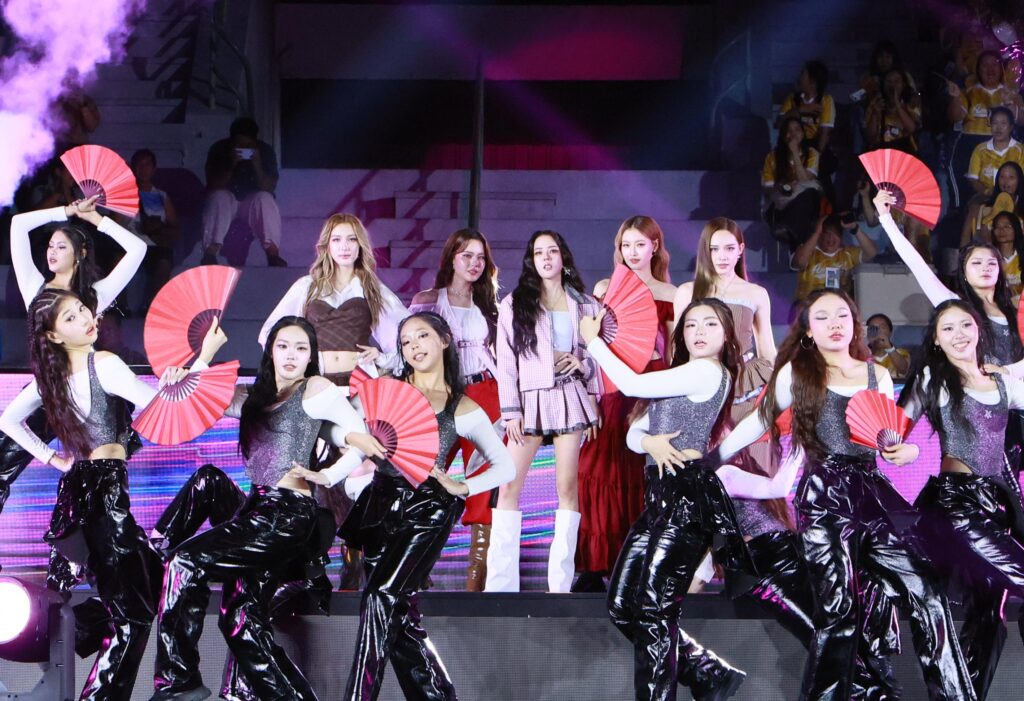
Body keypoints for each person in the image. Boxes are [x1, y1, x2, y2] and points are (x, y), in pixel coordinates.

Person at [711, 289, 976, 700]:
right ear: (809, 331)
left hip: (872, 492)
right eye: (822, 317)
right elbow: (758, 422)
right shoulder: (797, 373)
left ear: (854, 324)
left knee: (928, 593)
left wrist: (905, 451)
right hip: (824, 496)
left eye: (842, 316)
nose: (834, 324)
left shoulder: (877, 375)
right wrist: (711, 461)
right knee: (839, 614)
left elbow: (886, 436)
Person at [0, 289, 225, 700]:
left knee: (141, 594)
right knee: (133, 616)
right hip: (103, 496)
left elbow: (9, 421)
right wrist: (203, 358)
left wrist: (55, 460)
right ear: (53, 336)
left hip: (80, 497)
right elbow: (166, 409)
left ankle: (86, 641)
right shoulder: (103, 363)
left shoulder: (51, 379)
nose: (86, 318)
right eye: (70, 318)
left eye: (83, 309)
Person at [150, 316, 383, 701]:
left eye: (301, 348)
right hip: (256, 510)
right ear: (270, 351)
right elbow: (193, 401)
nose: (291, 355)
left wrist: (327, 476)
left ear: (311, 356)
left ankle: (178, 680)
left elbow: (360, 438)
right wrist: (202, 358)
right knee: (240, 622)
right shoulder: (252, 398)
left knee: (186, 563)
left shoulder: (316, 388)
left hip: (287, 515)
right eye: (283, 346)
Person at [291, 312, 515, 700]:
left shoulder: (461, 407)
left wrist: (462, 486)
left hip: (428, 510)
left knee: (380, 597)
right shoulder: (385, 390)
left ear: (444, 340)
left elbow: (504, 466)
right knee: (399, 619)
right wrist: (352, 442)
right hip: (380, 504)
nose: (414, 346)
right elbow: (330, 425)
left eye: (422, 336)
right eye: (406, 341)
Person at [579, 298, 748, 701]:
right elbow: (632, 434)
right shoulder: (678, 376)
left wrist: (593, 342)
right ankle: (707, 672)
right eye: (691, 325)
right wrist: (650, 442)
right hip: (659, 498)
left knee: (655, 610)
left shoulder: (706, 371)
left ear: (726, 335)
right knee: (623, 605)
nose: (699, 331)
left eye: (710, 324)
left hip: (686, 498)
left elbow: (631, 385)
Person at [260, 212, 409, 588]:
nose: (344, 247)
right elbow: (271, 333)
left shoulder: (372, 288)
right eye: (337, 239)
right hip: (315, 391)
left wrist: (384, 357)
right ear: (325, 245)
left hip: (358, 391)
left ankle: (355, 561)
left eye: (351, 239)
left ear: (361, 246)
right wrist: (296, 365)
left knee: (357, 472)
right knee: (308, 474)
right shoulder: (307, 286)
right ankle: (307, 566)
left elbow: (407, 336)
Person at [900, 300, 1024, 700]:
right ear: (936, 340)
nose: (959, 335)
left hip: (997, 505)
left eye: (965, 325)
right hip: (957, 505)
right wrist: (901, 448)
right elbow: (893, 429)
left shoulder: (1002, 382)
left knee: (988, 613)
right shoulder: (933, 379)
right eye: (948, 328)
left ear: (978, 330)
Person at [1, 196, 147, 532]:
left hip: (89, 394)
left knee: (97, 486)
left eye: (61, 246)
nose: (52, 252)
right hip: (50, 388)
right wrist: (66, 211)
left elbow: (138, 249)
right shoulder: (35, 288)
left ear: (80, 254)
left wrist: (95, 219)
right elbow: (19, 224)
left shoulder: (94, 296)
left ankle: (104, 546)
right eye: (50, 245)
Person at [488, 230, 602, 593]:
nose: (547, 258)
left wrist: (583, 366)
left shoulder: (586, 304)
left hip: (570, 395)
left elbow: (599, 353)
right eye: (539, 252)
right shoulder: (515, 302)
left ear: (563, 256)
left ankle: (560, 586)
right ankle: (501, 585)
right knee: (509, 486)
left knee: (567, 488)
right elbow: (506, 362)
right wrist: (511, 411)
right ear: (531, 260)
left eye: (552, 251)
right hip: (529, 399)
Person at [573, 215, 677, 593]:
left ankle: (639, 564)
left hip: (651, 385)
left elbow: (674, 352)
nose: (632, 252)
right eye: (626, 245)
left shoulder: (670, 294)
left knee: (641, 471)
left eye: (640, 244)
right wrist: (590, 395)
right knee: (596, 467)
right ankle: (594, 566)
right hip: (612, 384)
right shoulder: (606, 287)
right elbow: (592, 344)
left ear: (654, 247)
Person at [409, 228, 502, 592]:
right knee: (426, 472)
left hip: (485, 390)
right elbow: (409, 346)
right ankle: (415, 566)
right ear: (452, 258)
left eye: (481, 257)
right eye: (467, 256)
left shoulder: (491, 303)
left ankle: (475, 585)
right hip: (441, 392)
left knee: (482, 481)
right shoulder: (428, 299)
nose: (474, 263)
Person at [674, 217, 778, 479]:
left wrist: (778, 393)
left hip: (746, 385)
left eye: (729, 248)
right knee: (702, 466)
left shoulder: (755, 293)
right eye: (715, 249)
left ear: (741, 249)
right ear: (705, 251)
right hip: (702, 383)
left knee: (753, 464)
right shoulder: (687, 292)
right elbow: (678, 351)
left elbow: (767, 349)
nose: (722, 256)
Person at [201, 117, 286, 267]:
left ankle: (272, 254)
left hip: (251, 202)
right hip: (227, 201)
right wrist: (232, 163)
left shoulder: (264, 151)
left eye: (248, 145)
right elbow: (214, 185)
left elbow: (269, 187)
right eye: (239, 145)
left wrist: (257, 164)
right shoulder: (219, 149)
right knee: (219, 197)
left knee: (265, 199)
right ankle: (210, 252)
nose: (244, 148)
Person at [947, 51, 1024, 208]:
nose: (990, 69)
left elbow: (1021, 121)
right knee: (967, 188)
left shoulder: (1011, 92)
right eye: (984, 65)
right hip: (970, 143)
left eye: (994, 64)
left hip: (1002, 145)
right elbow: (955, 117)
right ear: (978, 69)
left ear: (1001, 69)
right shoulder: (969, 92)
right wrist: (955, 97)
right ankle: (962, 211)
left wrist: (1010, 103)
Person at [763, 116, 822, 249]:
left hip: (803, 203)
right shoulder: (772, 157)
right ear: (783, 135)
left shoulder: (812, 154)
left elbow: (805, 181)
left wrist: (795, 152)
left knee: (809, 194)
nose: (793, 134)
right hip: (780, 204)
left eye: (797, 129)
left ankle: (794, 241)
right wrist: (782, 188)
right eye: (789, 131)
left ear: (803, 133)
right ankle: (796, 244)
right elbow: (767, 189)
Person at [791, 214, 878, 302]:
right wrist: (817, 232)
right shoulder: (808, 251)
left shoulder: (848, 254)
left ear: (841, 237)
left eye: (835, 233)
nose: (830, 238)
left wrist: (855, 228)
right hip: (808, 304)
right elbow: (800, 261)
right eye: (826, 233)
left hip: (838, 305)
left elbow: (872, 252)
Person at [130, 148, 179, 304]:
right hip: (131, 245)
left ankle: (154, 306)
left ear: (153, 168)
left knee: (164, 262)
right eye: (139, 165)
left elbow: (175, 226)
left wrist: (158, 227)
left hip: (155, 245)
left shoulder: (161, 196)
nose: (143, 169)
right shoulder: (125, 194)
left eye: (147, 165)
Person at [962, 161, 1024, 246]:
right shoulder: (980, 207)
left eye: (1011, 177)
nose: (1006, 182)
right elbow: (965, 238)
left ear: (1019, 181)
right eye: (1002, 177)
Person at [865, 67, 922, 153]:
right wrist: (875, 114)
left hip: (904, 152)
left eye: (896, 81)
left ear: (903, 84)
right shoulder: (876, 103)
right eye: (889, 81)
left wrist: (897, 104)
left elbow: (912, 129)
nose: (893, 85)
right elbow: (870, 137)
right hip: (881, 152)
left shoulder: (911, 103)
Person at [865, 313, 912, 381]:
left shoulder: (901, 353)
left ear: (890, 332)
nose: (878, 332)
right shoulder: (860, 355)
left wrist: (889, 347)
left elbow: (903, 370)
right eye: (872, 328)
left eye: (882, 327)